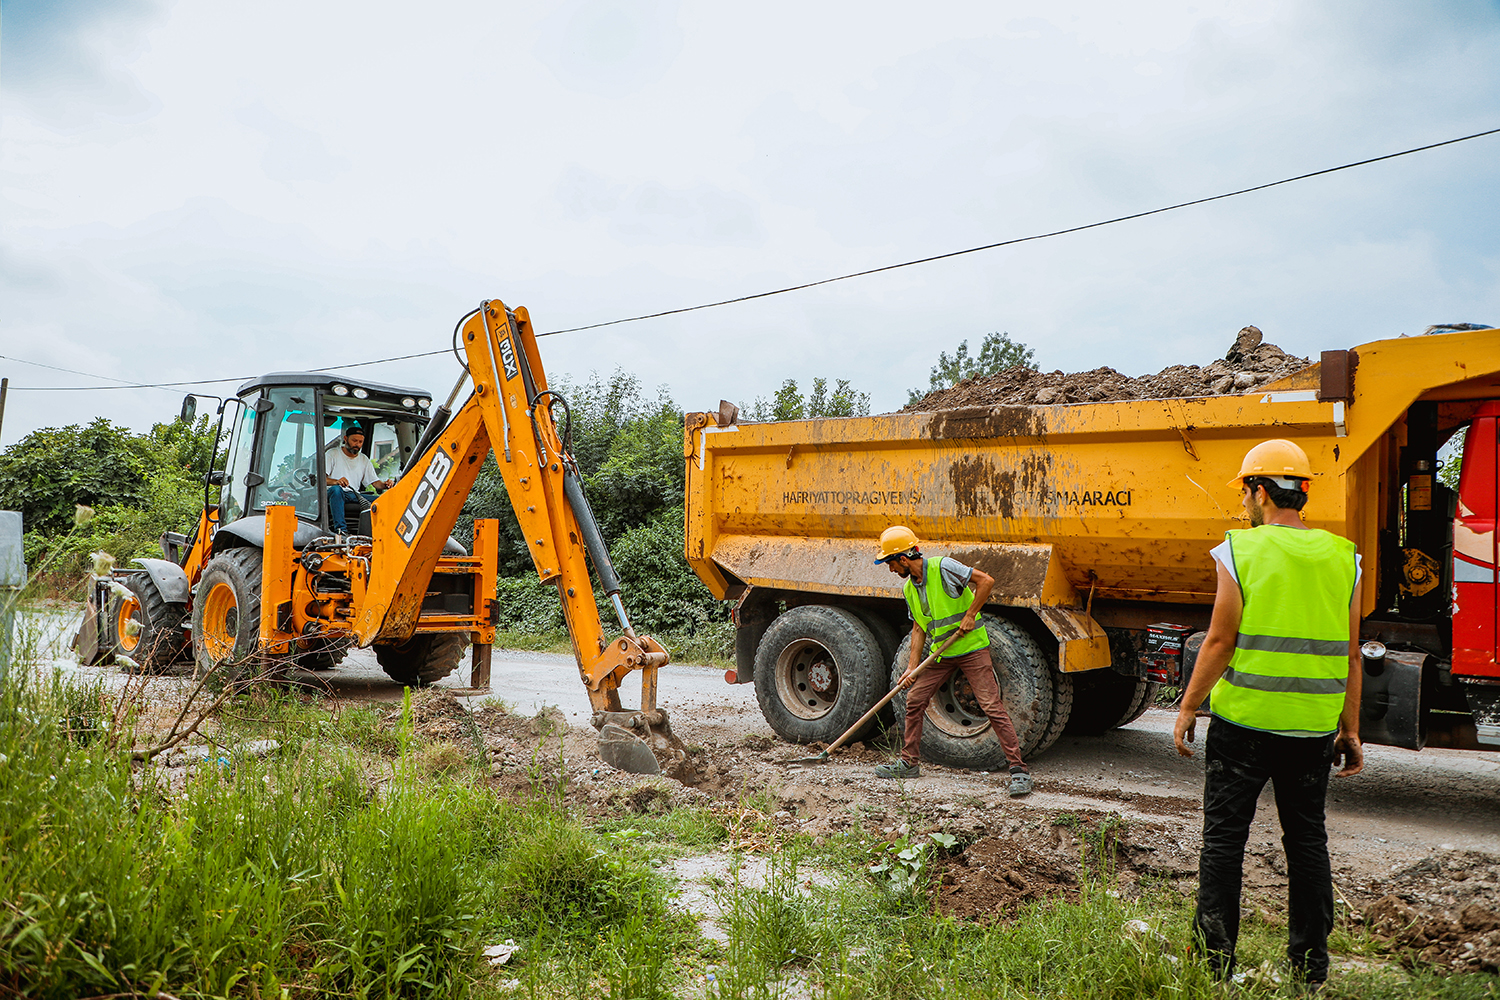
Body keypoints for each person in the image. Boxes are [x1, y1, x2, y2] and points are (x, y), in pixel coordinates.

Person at [1173, 438, 1364, 989]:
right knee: (1306, 840)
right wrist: (1349, 729)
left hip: (1243, 727)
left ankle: (1213, 967)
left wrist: (1188, 707)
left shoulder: (1240, 550)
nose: (1246, 503)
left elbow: (1218, 641)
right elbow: (1351, 653)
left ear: (1259, 490)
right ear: (1301, 491)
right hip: (1311, 729)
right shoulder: (1343, 557)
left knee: (1225, 840)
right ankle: (1310, 968)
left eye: (1247, 491)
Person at [872, 525, 1033, 796]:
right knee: (914, 699)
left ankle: (1019, 771)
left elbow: (986, 581)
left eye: (889, 563)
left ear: (902, 559)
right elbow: (918, 629)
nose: (889, 570)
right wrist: (912, 667)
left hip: (971, 648)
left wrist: (970, 614)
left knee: (991, 705)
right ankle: (909, 763)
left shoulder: (943, 567)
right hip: (942, 654)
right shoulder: (910, 590)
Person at [325, 425, 394, 534]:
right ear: (345, 439)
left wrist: (386, 484)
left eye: (360, 442)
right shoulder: (332, 454)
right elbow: (321, 480)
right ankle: (341, 530)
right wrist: (336, 482)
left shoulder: (363, 459)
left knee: (383, 501)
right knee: (337, 490)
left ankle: (382, 532)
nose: (357, 444)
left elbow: (375, 482)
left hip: (353, 495)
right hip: (333, 493)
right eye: (354, 441)